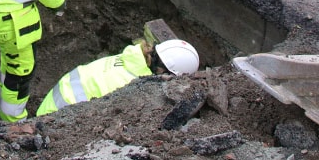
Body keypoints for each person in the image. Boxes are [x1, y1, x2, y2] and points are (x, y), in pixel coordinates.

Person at [36, 37, 200, 116]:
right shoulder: (134, 87)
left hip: (49, 107)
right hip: (55, 123)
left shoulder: (131, 59)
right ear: (162, 72)